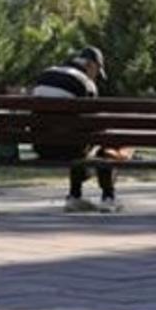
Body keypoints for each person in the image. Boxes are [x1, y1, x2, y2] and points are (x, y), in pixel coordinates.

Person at [32, 46, 132, 213]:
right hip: (70, 148)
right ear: (91, 65)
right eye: (97, 73)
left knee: (76, 137)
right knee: (101, 142)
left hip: (41, 147)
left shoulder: (45, 75)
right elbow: (92, 125)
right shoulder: (85, 83)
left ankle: (75, 196)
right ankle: (108, 197)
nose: (96, 78)